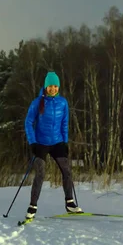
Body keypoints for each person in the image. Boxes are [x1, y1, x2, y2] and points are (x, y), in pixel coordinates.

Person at [24, 71, 82, 220]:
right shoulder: (37, 102)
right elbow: (28, 122)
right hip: (40, 143)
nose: (53, 89)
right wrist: (33, 142)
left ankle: (70, 203)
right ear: (45, 86)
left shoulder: (63, 103)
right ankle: (32, 206)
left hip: (57, 142)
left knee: (67, 170)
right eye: (50, 86)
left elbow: (64, 123)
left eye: (56, 86)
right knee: (41, 173)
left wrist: (65, 142)